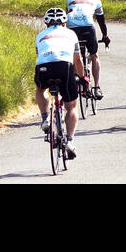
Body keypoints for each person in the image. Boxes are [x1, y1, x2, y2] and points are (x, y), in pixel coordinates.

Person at [34, 8, 85, 158]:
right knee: (71, 107)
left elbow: (40, 55)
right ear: (64, 22)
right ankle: (69, 141)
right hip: (65, 66)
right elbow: (78, 60)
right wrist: (82, 78)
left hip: (44, 66)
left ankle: (45, 118)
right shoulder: (71, 33)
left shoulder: (40, 35)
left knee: (41, 89)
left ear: (46, 22)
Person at [66, 0, 110, 99]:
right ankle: (96, 87)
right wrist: (105, 35)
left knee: (76, 56)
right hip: (88, 27)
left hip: (72, 27)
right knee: (94, 56)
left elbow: (67, 16)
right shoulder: (96, 0)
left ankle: (77, 78)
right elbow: (101, 21)